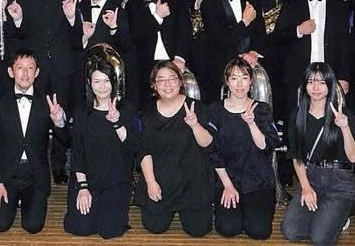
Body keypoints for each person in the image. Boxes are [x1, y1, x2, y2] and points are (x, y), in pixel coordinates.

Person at [13, 0, 77, 183]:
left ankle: (59, 164)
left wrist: (72, 17)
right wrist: (18, 20)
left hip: (62, 65)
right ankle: (35, 162)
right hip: (36, 69)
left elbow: (77, 37)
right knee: (35, 117)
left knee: (60, 115)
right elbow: (20, 35)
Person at [0, 49, 69, 233]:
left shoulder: (47, 102)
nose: (25, 73)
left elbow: (65, 140)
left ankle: (27, 201)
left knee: (33, 226)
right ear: (11, 72)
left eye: (30, 68)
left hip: (35, 174)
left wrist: (59, 121)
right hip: (7, 174)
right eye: (20, 68)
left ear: (37, 72)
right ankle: (14, 199)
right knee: (0, 225)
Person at [281, 62, 355, 246]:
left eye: (322, 82)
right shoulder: (297, 115)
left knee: (320, 238)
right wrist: (306, 188)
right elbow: (297, 156)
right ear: (305, 86)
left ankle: (339, 215)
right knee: (290, 231)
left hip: (339, 181)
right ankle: (327, 216)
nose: (316, 87)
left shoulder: (343, 114)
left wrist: (345, 127)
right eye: (311, 82)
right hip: (312, 178)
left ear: (330, 85)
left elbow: (354, 158)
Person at [63, 57, 139, 239]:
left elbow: (133, 147)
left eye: (106, 81)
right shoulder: (82, 111)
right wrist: (82, 187)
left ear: (114, 82)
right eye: (97, 81)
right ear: (89, 83)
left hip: (116, 180)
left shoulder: (126, 109)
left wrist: (117, 123)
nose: (102, 86)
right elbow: (78, 152)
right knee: (80, 228)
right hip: (88, 179)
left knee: (110, 231)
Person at [137, 60, 213, 237]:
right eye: (161, 80)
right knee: (155, 226)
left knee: (198, 230)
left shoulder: (197, 107)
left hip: (192, 182)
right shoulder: (148, 113)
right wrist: (151, 183)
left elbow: (208, 143)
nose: (167, 84)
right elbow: (144, 151)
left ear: (180, 82)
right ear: (154, 85)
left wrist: (195, 125)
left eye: (172, 78)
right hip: (162, 180)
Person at [273, 0, 353, 119]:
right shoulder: (290, 4)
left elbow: (346, 45)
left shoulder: (340, 7)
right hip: (297, 75)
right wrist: (298, 30)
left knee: (331, 121)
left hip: (330, 74)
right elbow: (277, 38)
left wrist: (344, 77)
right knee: (296, 121)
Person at [208, 58, 279, 239]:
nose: (239, 84)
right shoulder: (215, 110)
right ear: (227, 81)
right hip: (227, 179)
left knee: (259, 232)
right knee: (228, 229)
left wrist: (251, 123)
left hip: (258, 180)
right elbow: (212, 151)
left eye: (244, 78)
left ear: (251, 81)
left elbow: (267, 147)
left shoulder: (262, 109)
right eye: (234, 78)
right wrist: (227, 185)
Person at [125, 0, 191, 108]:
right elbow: (136, 36)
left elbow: (185, 31)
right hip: (146, 68)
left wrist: (180, 58)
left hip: (176, 62)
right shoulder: (132, 6)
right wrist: (157, 17)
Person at [200, 0, 265, 103]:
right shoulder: (209, 4)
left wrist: (254, 52)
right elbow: (221, 39)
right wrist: (244, 22)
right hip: (221, 69)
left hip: (251, 68)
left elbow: (261, 32)